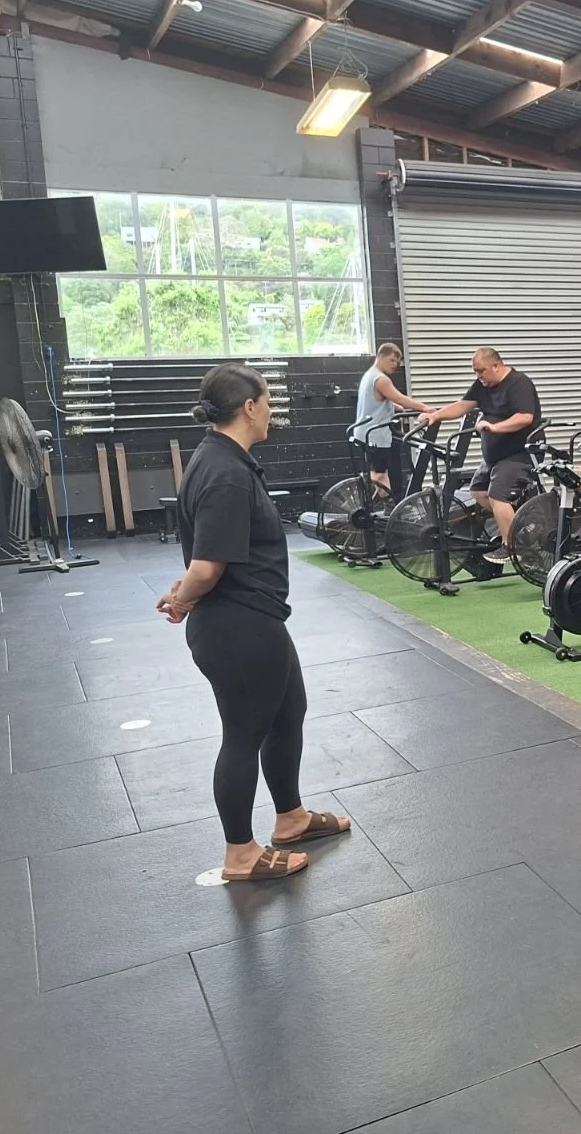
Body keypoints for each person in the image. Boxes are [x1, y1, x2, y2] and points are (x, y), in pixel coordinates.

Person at [160, 364, 350, 882]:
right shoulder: (224, 473)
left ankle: (290, 818)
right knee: (244, 735)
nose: (271, 411)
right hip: (235, 627)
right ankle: (240, 853)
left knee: (288, 713)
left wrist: (185, 591)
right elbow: (206, 566)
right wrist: (184, 599)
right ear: (249, 407)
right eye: (268, 402)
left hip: (256, 617)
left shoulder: (223, 459)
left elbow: (206, 556)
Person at [414, 347, 541, 564]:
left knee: (497, 495)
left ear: (496, 366)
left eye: (481, 371)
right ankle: (519, 525)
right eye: (475, 372)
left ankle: (513, 546)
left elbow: (525, 417)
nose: (478, 376)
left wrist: (495, 427)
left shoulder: (519, 383)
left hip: (521, 452)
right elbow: (463, 405)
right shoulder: (483, 385)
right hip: (496, 456)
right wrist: (435, 416)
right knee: (478, 492)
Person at [355, 342, 429, 494]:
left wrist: (395, 407)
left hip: (365, 433)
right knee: (380, 474)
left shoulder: (369, 376)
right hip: (376, 436)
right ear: (380, 357)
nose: (395, 365)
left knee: (381, 473)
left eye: (398, 361)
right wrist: (426, 408)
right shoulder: (381, 379)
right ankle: (377, 502)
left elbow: (377, 400)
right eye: (392, 360)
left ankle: (386, 505)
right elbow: (400, 398)